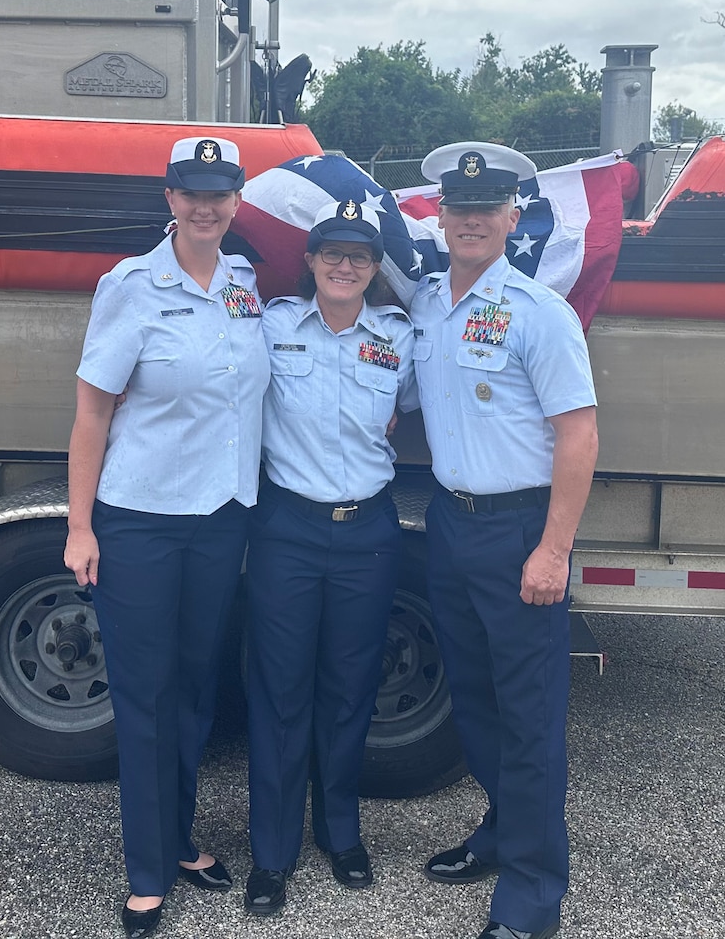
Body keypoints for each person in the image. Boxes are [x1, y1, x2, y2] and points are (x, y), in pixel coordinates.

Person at [64, 136, 270, 939]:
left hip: (221, 518)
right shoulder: (131, 287)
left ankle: (179, 840)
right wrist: (81, 526)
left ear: (236, 200)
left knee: (193, 690)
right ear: (169, 198)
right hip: (142, 522)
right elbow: (92, 412)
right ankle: (147, 873)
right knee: (147, 698)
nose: (206, 206)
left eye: (220, 193)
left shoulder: (245, 284)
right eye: (191, 193)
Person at [409, 142, 599, 939]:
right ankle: (499, 832)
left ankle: (531, 893)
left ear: (513, 218)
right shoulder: (423, 304)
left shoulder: (538, 313)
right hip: (449, 526)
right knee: (477, 708)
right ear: (441, 216)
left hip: (521, 531)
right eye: (460, 209)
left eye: (488, 209)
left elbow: (579, 434)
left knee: (528, 721)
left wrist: (553, 549)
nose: (473, 221)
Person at [242, 200, 414, 916]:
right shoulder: (273, 326)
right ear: (309, 262)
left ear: (375, 270)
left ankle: (341, 833)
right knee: (280, 694)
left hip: (368, 531)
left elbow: (403, 412)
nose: (346, 266)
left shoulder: (399, 338)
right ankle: (273, 853)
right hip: (288, 527)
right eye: (332, 254)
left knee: (350, 689)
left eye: (361, 257)